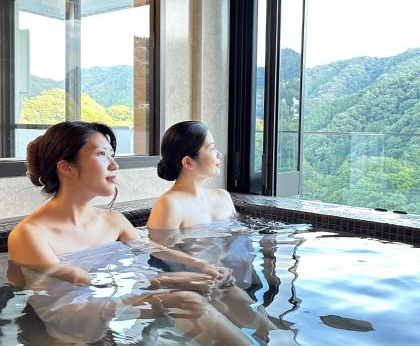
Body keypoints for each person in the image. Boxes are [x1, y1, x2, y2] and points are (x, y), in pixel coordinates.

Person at [7, 121, 251, 345]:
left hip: (115, 299)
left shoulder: (113, 220)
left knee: (219, 284)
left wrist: (202, 267)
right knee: (185, 298)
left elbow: (153, 248)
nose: (114, 165)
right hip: (77, 323)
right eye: (102, 154)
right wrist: (175, 280)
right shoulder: (30, 234)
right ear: (66, 167)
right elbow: (81, 281)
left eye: (112, 155)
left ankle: (272, 335)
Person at [147, 121, 278, 341]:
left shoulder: (222, 197)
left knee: (271, 335)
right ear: (188, 161)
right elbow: (157, 261)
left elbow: (240, 245)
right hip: (195, 290)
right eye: (211, 148)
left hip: (227, 285)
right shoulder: (170, 205)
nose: (219, 154)